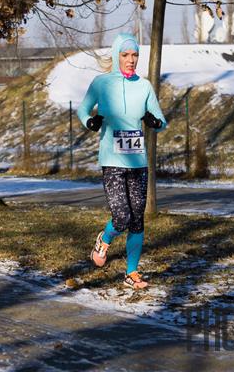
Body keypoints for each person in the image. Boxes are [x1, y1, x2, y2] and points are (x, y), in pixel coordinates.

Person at [77, 33, 167, 290]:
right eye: (125, 55)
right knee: (121, 216)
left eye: (135, 55)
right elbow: (82, 109)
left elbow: (161, 121)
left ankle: (131, 273)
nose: (131, 60)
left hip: (138, 162)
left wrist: (154, 122)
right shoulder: (102, 83)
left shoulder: (144, 86)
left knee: (137, 218)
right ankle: (104, 239)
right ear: (117, 56)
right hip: (113, 160)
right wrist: (90, 122)